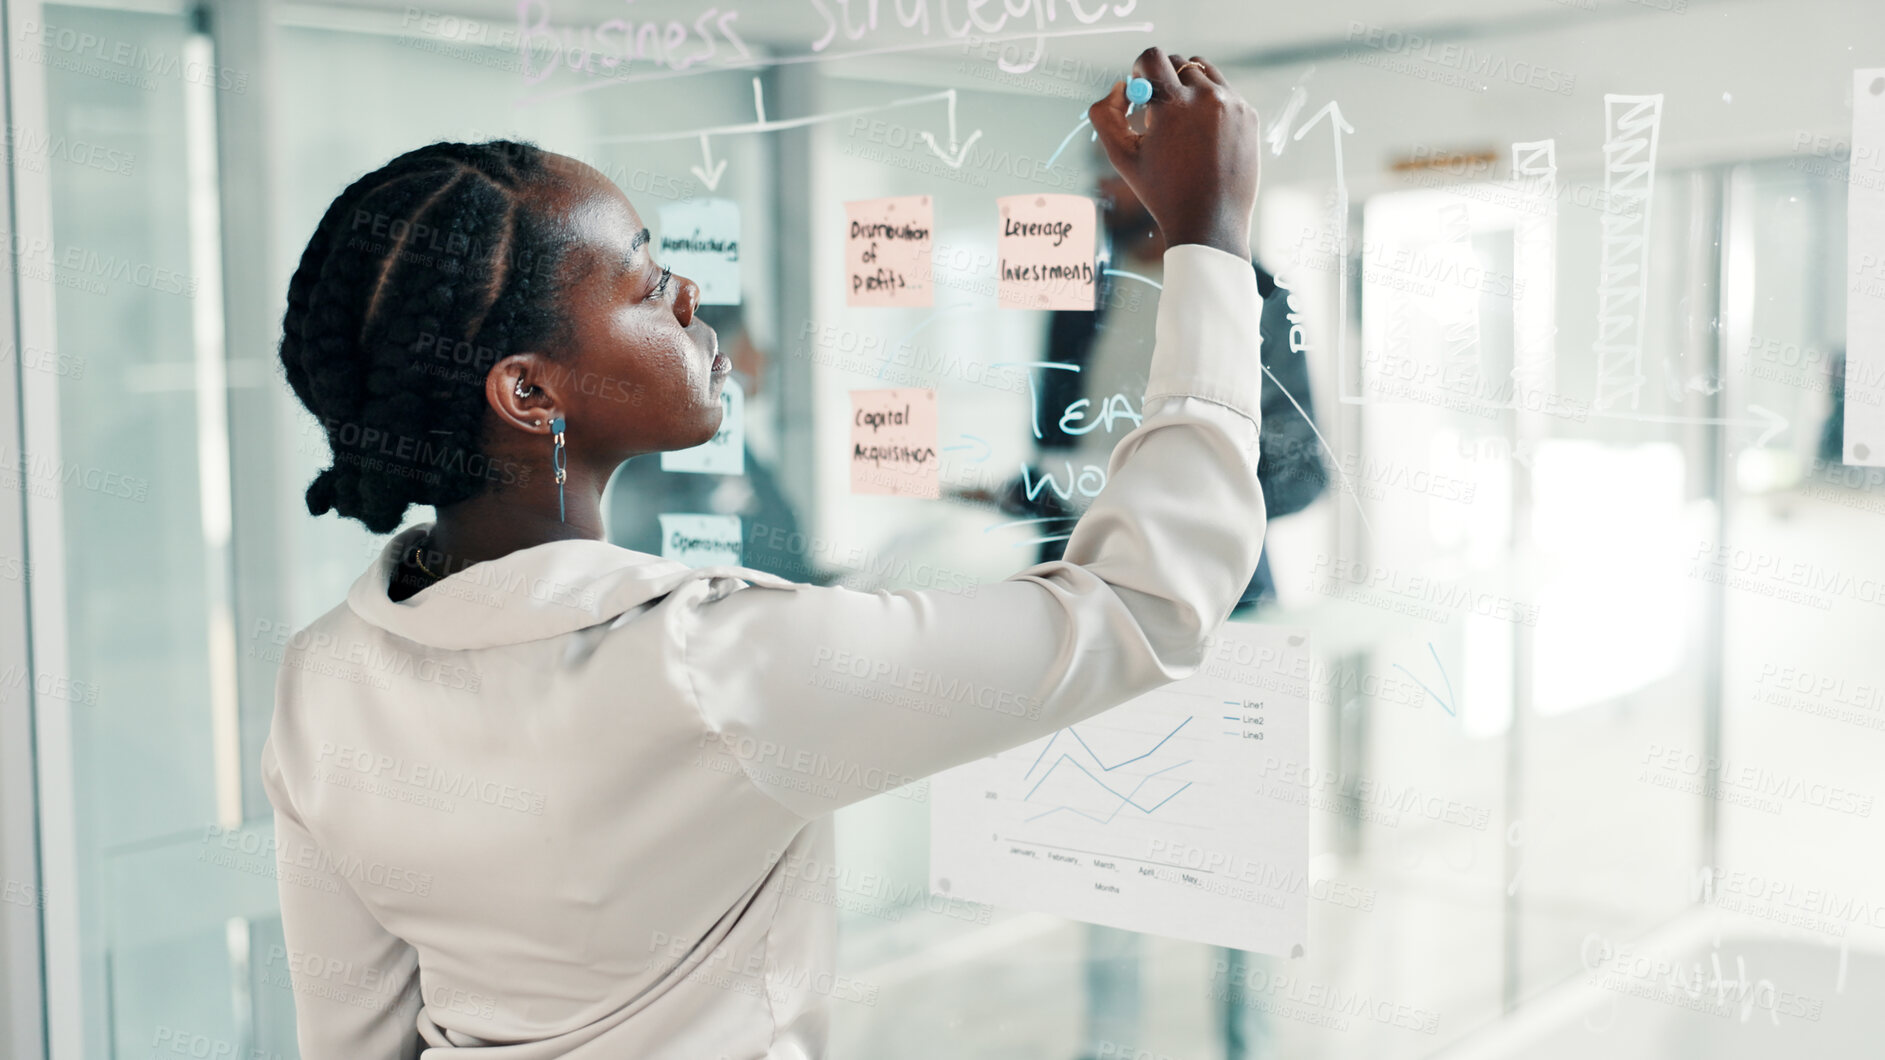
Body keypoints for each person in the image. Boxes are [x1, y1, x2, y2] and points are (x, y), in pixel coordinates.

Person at [262, 48, 1265, 1059]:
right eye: (645, 283)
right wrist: (1209, 241)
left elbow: (350, 1041)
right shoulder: (711, 663)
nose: (691, 295)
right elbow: (1145, 606)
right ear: (530, 393)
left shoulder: (323, 677)